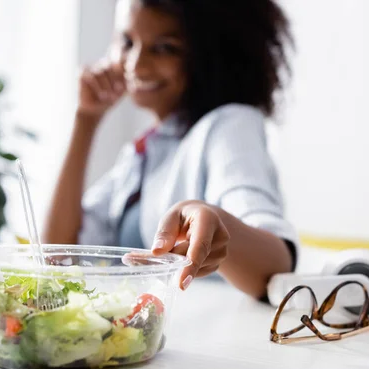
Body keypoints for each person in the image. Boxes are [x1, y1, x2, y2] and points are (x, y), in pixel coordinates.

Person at [44, 0, 298, 300]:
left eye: (165, 48)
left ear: (213, 52)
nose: (135, 64)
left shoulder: (230, 125)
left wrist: (215, 220)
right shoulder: (147, 149)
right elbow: (58, 256)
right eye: (127, 42)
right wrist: (86, 120)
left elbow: (276, 267)